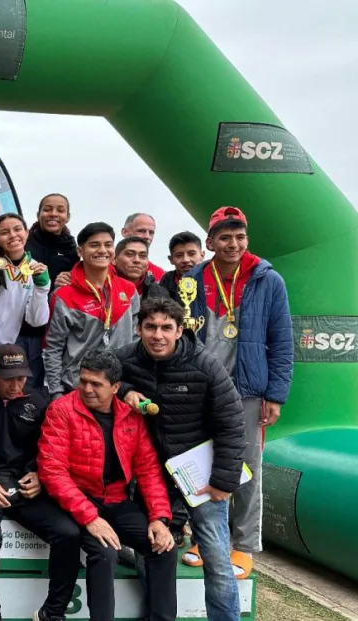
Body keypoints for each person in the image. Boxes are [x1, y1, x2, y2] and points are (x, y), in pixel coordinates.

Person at [116, 297, 245, 621]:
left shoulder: (205, 364)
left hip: (201, 475)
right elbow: (100, 377)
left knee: (216, 560)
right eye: (150, 327)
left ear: (179, 330)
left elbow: (231, 422)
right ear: (138, 328)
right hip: (152, 474)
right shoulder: (125, 358)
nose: (157, 335)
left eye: (166, 328)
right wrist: (125, 390)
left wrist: (223, 481)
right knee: (150, 549)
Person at [185, 206, 293, 578]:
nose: (233, 244)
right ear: (210, 241)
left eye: (240, 236)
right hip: (203, 388)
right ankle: (206, 538)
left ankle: (243, 545)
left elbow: (282, 340)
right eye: (225, 237)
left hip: (247, 389)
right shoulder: (194, 279)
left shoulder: (268, 279)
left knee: (248, 466)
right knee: (201, 463)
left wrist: (275, 394)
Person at [37, 350, 177, 621]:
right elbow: (52, 472)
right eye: (83, 381)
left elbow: (148, 470)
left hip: (116, 500)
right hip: (78, 501)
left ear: (115, 387)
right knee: (105, 553)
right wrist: (90, 517)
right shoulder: (62, 409)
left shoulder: (131, 416)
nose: (87, 389)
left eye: (96, 384)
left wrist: (159, 518)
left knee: (163, 547)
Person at [0, 344, 78, 621]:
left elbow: (49, 447)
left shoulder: (38, 400)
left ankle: (53, 612)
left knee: (68, 533)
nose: (16, 385)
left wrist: (40, 474)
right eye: (9, 378)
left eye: (22, 377)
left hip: (23, 484)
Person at [43, 222, 139, 399]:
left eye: (108, 245)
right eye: (94, 245)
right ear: (80, 251)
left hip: (119, 387)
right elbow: (53, 348)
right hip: (79, 387)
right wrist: (56, 392)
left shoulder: (129, 290)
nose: (102, 250)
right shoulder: (64, 295)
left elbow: (136, 340)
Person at [0, 214, 50, 381]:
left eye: (17, 229)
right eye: (5, 232)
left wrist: (42, 288)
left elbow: (37, 321)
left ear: (26, 232)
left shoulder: (35, 269)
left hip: (3, 357)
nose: (13, 235)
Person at [21, 193, 78, 388]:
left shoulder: (72, 249)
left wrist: (67, 282)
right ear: (38, 214)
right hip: (24, 327)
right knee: (26, 383)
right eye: (47, 209)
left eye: (60, 210)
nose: (53, 214)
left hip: (56, 329)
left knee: (52, 384)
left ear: (67, 217)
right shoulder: (24, 243)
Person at [159, 232, 205, 303]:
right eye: (179, 255)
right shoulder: (167, 280)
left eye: (191, 254)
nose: (185, 260)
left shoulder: (213, 277)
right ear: (171, 259)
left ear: (202, 255)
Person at [120, 213, 165, 280]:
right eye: (141, 231)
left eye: (151, 233)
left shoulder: (158, 274)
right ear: (125, 232)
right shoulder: (106, 267)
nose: (147, 237)